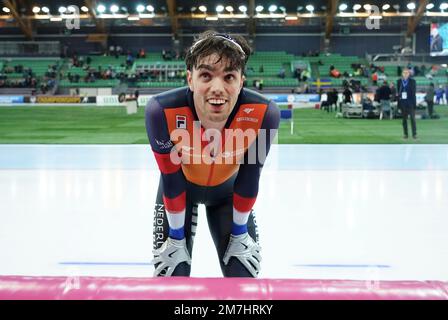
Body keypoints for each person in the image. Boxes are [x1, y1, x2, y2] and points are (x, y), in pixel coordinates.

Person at [145, 31, 280, 278]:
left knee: (243, 288)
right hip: (178, 193)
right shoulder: (160, 111)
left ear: (241, 82)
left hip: (229, 197)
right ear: (190, 79)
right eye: (206, 75)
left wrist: (240, 233)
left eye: (229, 76)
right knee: (171, 285)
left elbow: (250, 177)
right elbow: (170, 177)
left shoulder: (264, 114)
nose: (217, 88)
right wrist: (176, 239)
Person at [397, 69, 417, 139]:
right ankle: (405, 134)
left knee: (412, 119)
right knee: (404, 120)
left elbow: (414, 93)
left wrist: (414, 104)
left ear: (409, 74)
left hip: (410, 103)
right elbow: (398, 94)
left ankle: (414, 134)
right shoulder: (399, 81)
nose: (405, 74)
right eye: (404, 73)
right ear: (402, 74)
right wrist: (398, 105)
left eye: (407, 73)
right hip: (403, 103)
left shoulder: (412, 81)